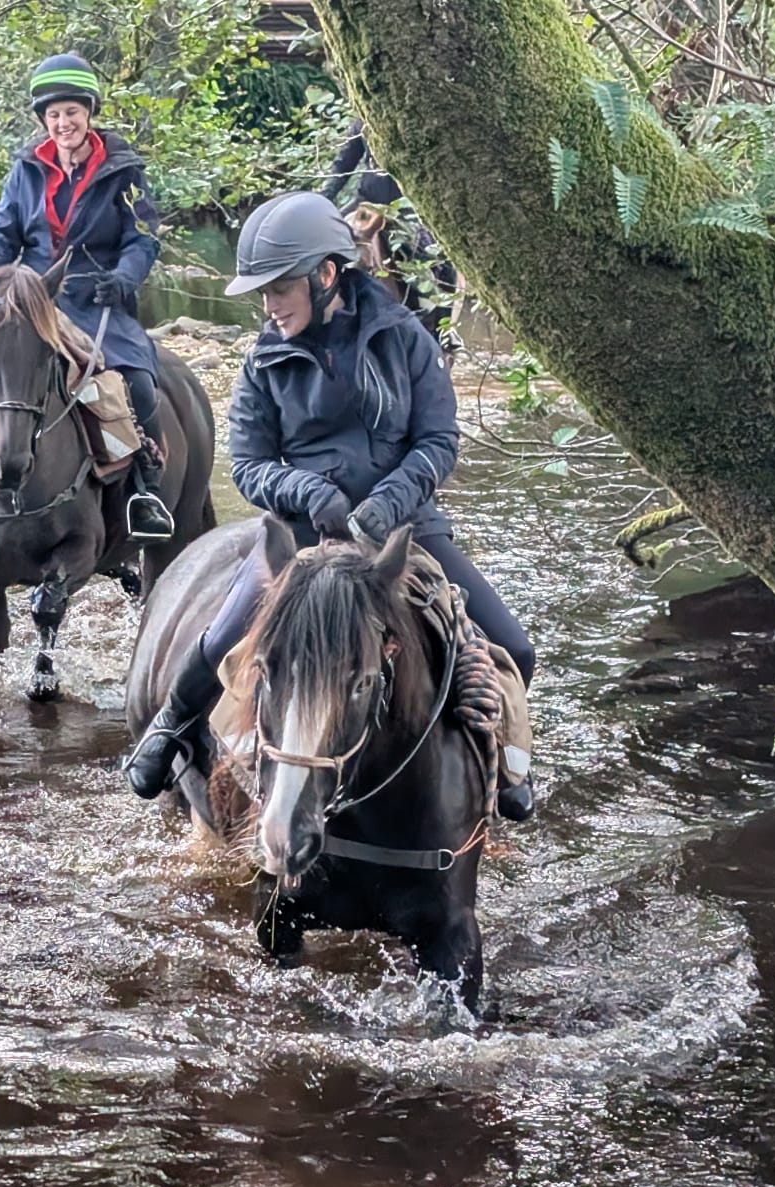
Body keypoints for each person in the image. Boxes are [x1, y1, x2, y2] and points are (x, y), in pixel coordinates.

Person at [122, 191, 536, 819]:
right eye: (261, 293)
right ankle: (171, 727)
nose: (268, 305)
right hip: (301, 535)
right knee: (218, 639)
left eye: (278, 288)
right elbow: (251, 465)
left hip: (406, 531)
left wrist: (392, 499)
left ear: (325, 276)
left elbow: (438, 440)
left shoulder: (405, 339)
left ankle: (503, 761)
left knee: (514, 647)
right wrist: (313, 494)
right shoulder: (264, 360)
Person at [0, 53, 172, 539]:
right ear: (44, 120)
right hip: (28, 297)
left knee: (140, 384)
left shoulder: (125, 170)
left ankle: (141, 492)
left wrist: (125, 277)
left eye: (71, 112)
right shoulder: (26, 171)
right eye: (53, 115)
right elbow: (3, 231)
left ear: (89, 113)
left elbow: (144, 237)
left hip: (96, 296)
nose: (63, 123)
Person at [321, 119, 459, 342]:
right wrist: (322, 199)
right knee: (327, 242)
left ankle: (444, 333)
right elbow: (342, 166)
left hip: (408, 210)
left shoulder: (414, 120)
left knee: (440, 258)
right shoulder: (362, 122)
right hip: (366, 204)